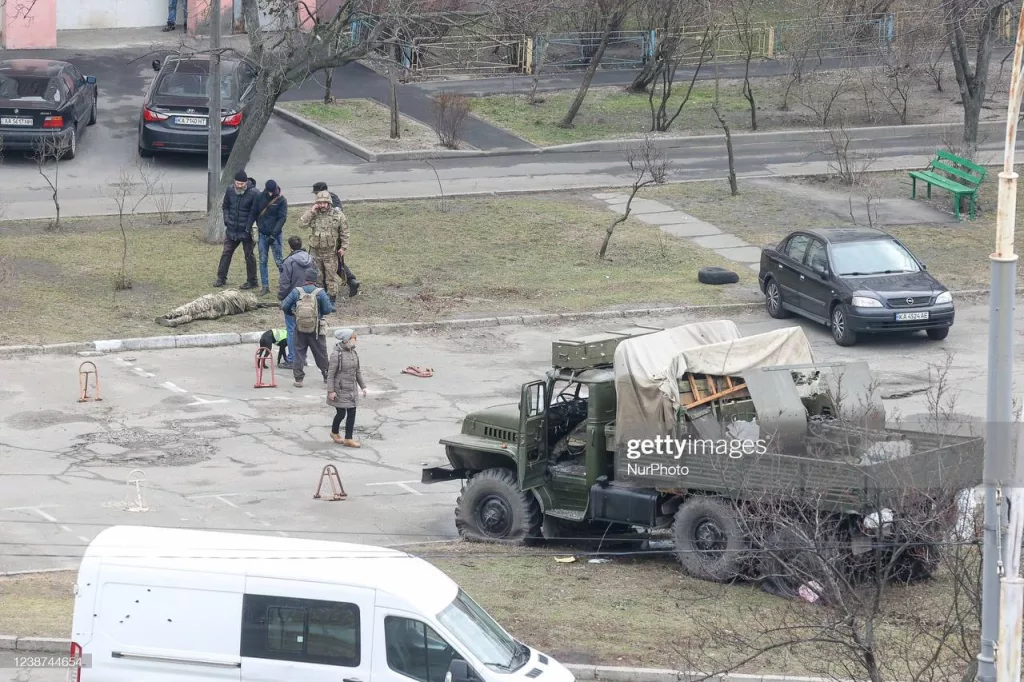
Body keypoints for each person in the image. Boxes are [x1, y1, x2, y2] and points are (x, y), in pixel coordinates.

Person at [279, 266, 336, 388]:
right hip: (316, 329)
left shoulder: (296, 291)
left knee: (299, 352)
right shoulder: (320, 292)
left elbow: (284, 306)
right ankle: (326, 375)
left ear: (305, 279)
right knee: (321, 352)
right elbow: (327, 309)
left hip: (299, 327)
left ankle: (298, 379)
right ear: (315, 280)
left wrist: (293, 314)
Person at [299, 190, 348, 304]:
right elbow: (301, 224)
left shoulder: (338, 215)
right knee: (317, 277)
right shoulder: (313, 214)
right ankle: (320, 299)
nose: (322, 205)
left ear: (329, 203)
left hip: (330, 253)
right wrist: (311, 211)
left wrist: (343, 248)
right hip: (316, 252)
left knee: (331, 277)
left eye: (324, 203)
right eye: (319, 203)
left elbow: (345, 232)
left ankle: (331, 301)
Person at [313, 182, 360, 298]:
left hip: (333, 239)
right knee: (335, 264)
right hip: (329, 239)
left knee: (334, 264)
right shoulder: (332, 197)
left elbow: (338, 218)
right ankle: (350, 281)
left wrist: (342, 245)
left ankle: (349, 281)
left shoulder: (331, 200)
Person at [215, 170, 260, 289]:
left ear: (246, 183)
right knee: (226, 253)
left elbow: (255, 212)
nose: (239, 186)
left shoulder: (254, 193)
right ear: (234, 182)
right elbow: (225, 207)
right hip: (232, 229)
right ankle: (221, 278)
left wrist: (248, 227)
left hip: (246, 231)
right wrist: (227, 220)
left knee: (249, 255)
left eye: (242, 184)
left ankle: (252, 281)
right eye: (237, 183)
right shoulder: (230, 190)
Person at [277, 236, 314, 369]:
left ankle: (292, 359)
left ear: (290, 247)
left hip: (292, 299)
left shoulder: (289, 262)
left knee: (292, 329)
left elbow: (284, 282)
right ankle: (303, 358)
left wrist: (281, 297)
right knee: (304, 328)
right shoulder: (311, 259)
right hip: (309, 299)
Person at [327, 328, 367, 447]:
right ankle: (334, 432)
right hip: (340, 389)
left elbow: (357, 372)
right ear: (347, 340)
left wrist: (363, 387)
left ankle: (348, 438)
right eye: (354, 338)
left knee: (352, 412)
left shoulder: (354, 353)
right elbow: (330, 375)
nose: (355, 341)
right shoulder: (336, 354)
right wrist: (331, 391)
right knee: (341, 414)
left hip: (352, 389)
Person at [155, 289, 273, 328]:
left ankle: (169, 315)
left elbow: (224, 293)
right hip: (217, 313)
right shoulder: (241, 307)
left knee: (189, 308)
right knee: (194, 316)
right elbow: (258, 304)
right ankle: (175, 322)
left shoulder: (235, 293)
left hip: (214, 300)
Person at [255, 180, 288, 296]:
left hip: (275, 235)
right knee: (263, 260)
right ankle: (265, 286)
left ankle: (285, 284)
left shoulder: (281, 200)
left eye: (272, 192)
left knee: (279, 261)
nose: (270, 194)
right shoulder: (260, 197)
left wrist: (273, 235)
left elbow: (282, 218)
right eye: (268, 192)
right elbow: (256, 212)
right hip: (262, 234)